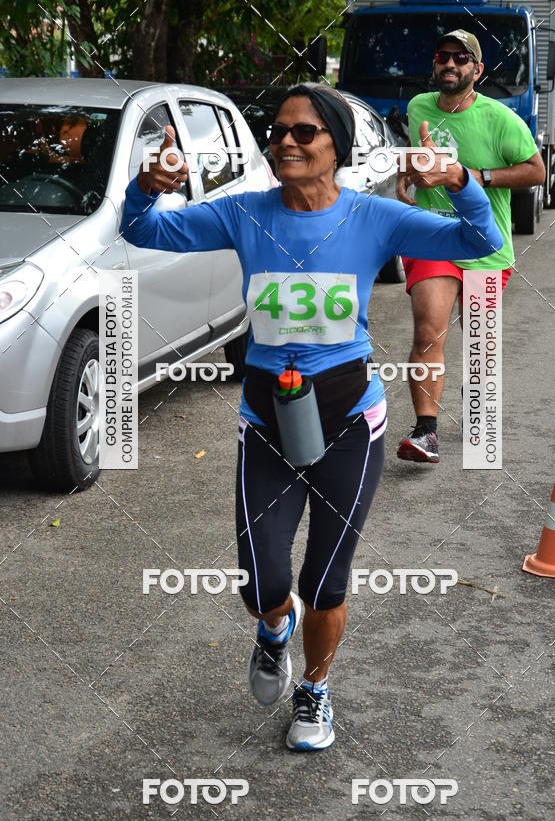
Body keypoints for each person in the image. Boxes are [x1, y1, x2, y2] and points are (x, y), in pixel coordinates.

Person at [120, 83, 503, 751]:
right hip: (267, 417)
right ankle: (274, 633)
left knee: (324, 579)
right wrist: (146, 186)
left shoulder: (373, 217)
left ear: (336, 146)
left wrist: (463, 179)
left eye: (303, 132)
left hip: (350, 417)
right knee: (262, 579)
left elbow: (480, 238)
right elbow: (141, 229)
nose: (286, 142)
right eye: (278, 132)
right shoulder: (243, 214)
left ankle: (316, 693)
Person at [396, 29, 545, 463]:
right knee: (428, 330)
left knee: (477, 342)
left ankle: (472, 389)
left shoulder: (500, 119)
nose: (450, 64)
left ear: (476, 70)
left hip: (485, 245)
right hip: (432, 238)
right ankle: (426, 432)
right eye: (443, 56)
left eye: (461, 58)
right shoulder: (419, 107)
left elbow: (536, 170)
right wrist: (409, 172)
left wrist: (477, 178)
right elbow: (421, 159)